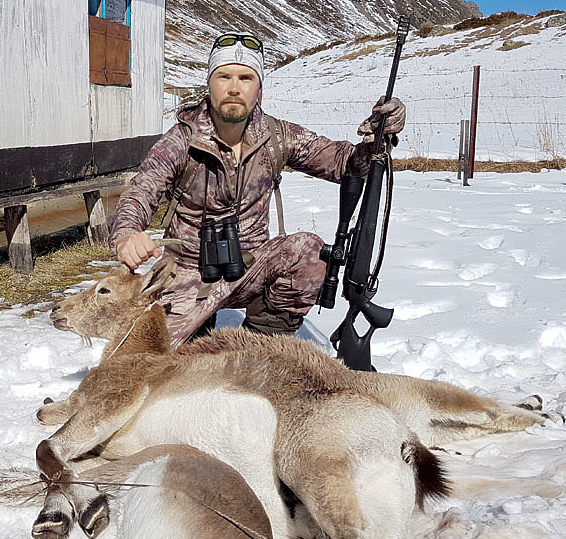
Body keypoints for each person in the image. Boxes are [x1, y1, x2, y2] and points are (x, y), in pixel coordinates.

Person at [109, 31, 406, 347]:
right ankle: (197, 327)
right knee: (146, 355)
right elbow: (141, 192)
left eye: (245, 78)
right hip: (189, 272)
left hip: (250, 268)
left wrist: (377, 138)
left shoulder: (277, 136)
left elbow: (344, 163)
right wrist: (127, 235)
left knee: (309, 251)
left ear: (259, 90)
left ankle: (257, 348)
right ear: (210, 85)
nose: (234, 88)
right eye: (224, 76)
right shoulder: (181, 140)